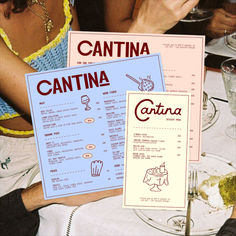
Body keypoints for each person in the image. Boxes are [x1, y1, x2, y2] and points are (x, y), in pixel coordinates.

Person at [0, 0, 199, 235]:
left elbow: (81, 69)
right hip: (23, 158)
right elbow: (61, 110)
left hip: (88, 129)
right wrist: (144, 28)